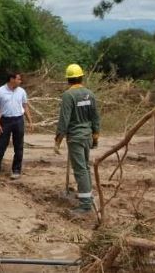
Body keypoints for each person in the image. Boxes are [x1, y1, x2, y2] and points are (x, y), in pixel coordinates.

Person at [54, 64, 100, 214]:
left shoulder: (68, 95)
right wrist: (95, 137)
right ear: (81, 77)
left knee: (80, 170)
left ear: (68, 79)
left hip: (75, 137)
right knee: (85, 167)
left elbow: (64, 120)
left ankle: (85, 204)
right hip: (87, 136)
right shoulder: (90, 94)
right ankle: (88, 197)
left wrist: (58, 141)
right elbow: (95, 117)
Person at [0, 72, 32, 179]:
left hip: (18, 120)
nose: (20, 81)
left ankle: (16, 170)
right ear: (11, 79)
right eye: (18, 79)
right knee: (1, 145)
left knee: (18, 146)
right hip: (5, 121)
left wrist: (30, 121)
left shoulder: (21, 91)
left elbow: (25, 106)